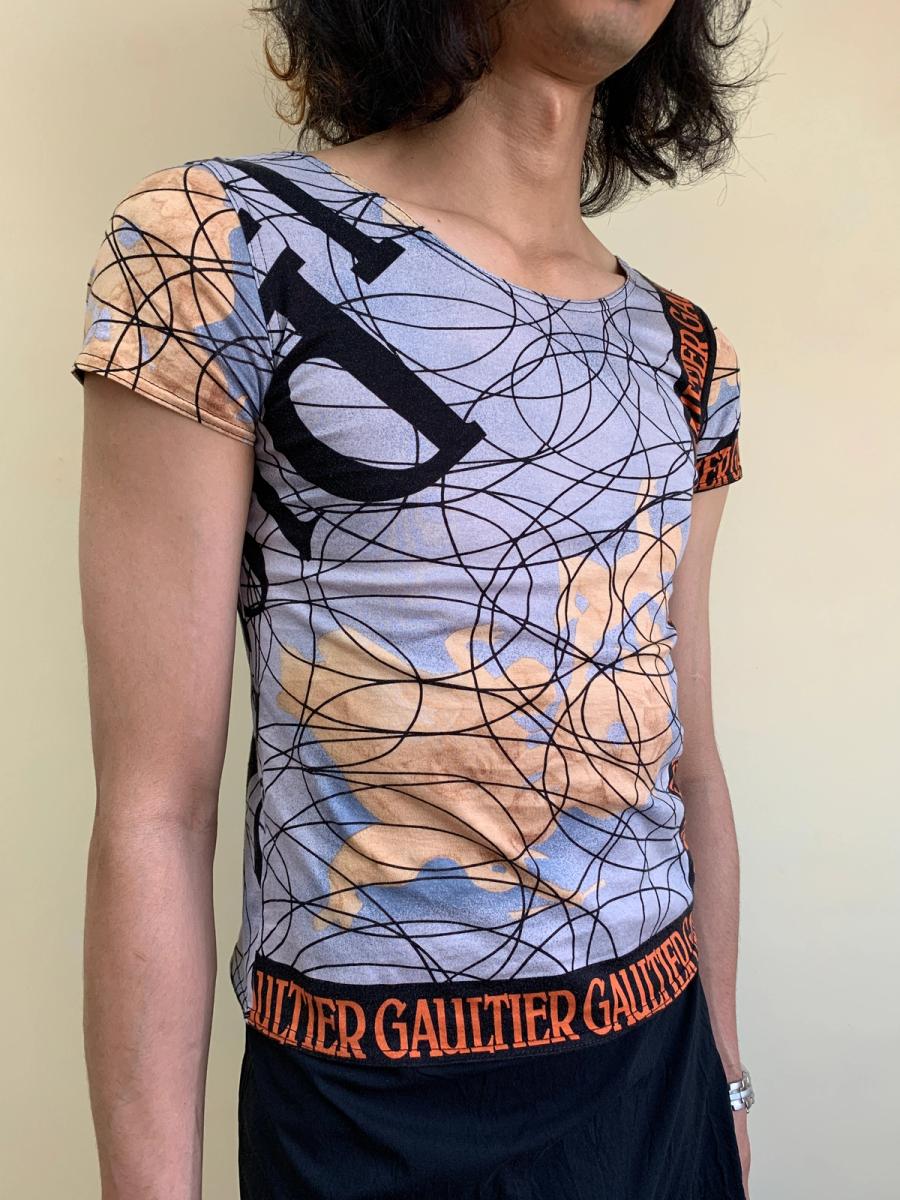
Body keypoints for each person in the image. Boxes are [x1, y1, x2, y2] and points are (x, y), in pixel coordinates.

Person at [71, 1, 762, 1197]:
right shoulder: (216, 247)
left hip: (661, 1087)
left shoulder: (687, 352)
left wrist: (730, 1080)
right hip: (371, 1109)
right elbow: (154, 810)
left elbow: (689, 769)